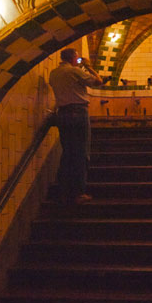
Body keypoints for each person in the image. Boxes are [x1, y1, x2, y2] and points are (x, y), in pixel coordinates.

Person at [49, 48, 103, 204]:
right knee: (81, 152)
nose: (79, 61)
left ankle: (63, 192)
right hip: (78, 113)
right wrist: (88, 66)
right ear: (73, 58)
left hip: (62, 114)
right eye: (78, 59)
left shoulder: (54, 73)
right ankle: (79, 193)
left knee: (67, 153)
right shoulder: (75, 71)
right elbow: (98, 81)